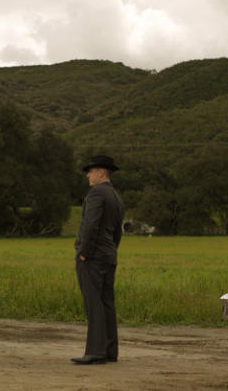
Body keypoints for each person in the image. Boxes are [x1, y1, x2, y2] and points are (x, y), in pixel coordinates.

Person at [72, 155, 124, 365]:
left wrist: (84, 251)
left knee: (93, 302)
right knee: (106, 302)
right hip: (108, 255)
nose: (87, 175)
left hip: (92, 256)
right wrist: (110, 249)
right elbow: (117, 232)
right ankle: (110, 350)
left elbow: (90, 225)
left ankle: (95, 351)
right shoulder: (115, 196)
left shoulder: (96, 194)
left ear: (101, 172)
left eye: (91, 171)